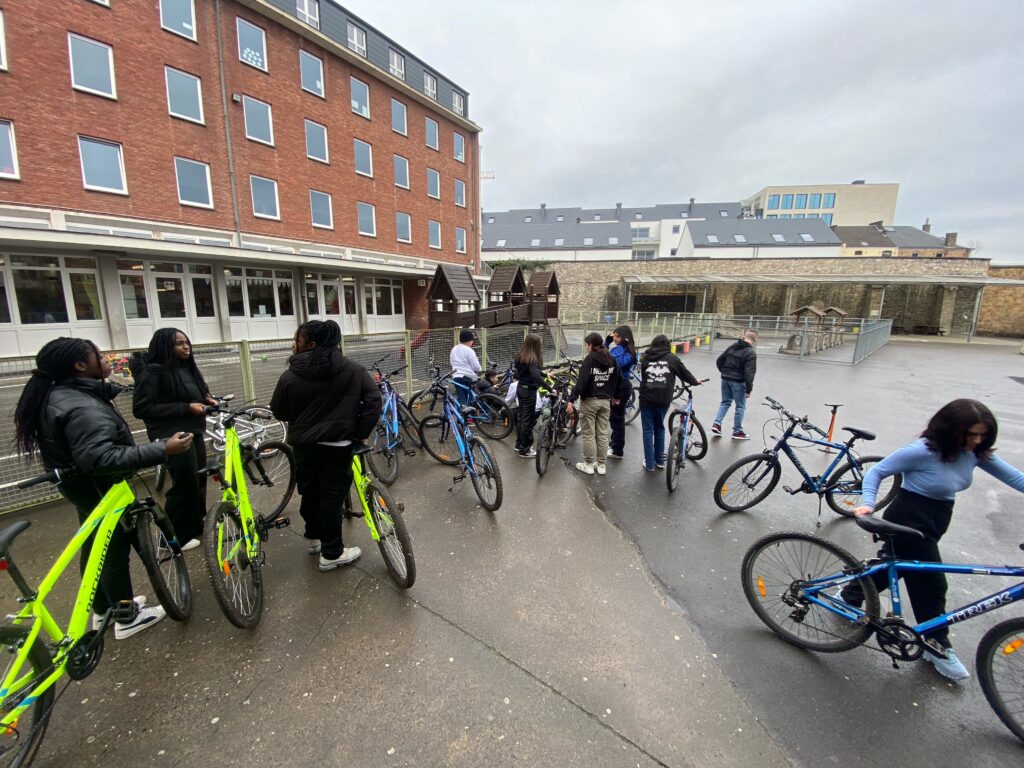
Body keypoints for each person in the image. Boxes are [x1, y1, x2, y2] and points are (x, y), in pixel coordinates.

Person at [14, 337, 192, 639]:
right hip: (98, 484)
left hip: (79, 485)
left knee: (95, 542)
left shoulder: (64, 394)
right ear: (80, 366)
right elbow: (100, 458)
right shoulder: (82, 406)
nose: (107, 358)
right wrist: (163, 448)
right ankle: (126, 616)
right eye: (99, 355)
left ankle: (102, 608)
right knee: (113, 547)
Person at [850, 399, 1024, 682]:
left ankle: (851, 595)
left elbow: (1017, 478)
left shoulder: (975, 452)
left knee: (899, 566)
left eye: (983, 434)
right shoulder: (922, 451)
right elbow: (877, 471)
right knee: (931, 583)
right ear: (949, 429)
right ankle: (936, 644)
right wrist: (867, 504)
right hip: (908, 517)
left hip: (938, 517)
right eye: (971, 434)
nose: (977, 440)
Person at [270, 320, 382, 571]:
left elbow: (278, 410)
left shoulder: (289, 375)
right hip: (339, 444)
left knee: (309, 491)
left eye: (297, 340)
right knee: (333, 495)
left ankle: (314, 538)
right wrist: (360, 433)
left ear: (310, 344)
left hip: (304, 445)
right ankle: (332, 553)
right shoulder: (353, 370)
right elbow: (374, 400)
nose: (293, 344)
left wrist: (302, 417)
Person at [131, 328, 216, 551]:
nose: (186, 346)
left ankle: (196, 524)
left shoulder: (186, 367)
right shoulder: (152, 372)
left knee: (198, 479)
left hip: (193, 431)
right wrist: (186, 407)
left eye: (187, 342)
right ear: (165, 346)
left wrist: (208, 399)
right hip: (173, 435)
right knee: (184, 485)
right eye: (179, 343)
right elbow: (142, 408)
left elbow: (191, 393)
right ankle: (171, 538)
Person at [638, 335, 700, 472]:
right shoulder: (672, 358)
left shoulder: (646, 357)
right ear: (666, 345)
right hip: (663, 398)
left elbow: (644, 376)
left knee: (648, 430)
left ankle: (649, 464)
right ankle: (660, 461)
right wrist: (695, 381)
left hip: (646, 398)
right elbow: (685, 374)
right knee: (659, 428)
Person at [567, 332, 620, 476]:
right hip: (605, 402)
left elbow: (581, 382)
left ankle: (589, 464)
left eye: (586, 344)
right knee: (603, 434)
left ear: (590, 345)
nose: (585, 347)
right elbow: (618, 378)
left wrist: (572, 398)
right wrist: (616, 396)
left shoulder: (590, 359)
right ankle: (601, 465)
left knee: (589, 434)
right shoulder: (611, 358)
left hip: (590, 401)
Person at [713, 328, 758, 440]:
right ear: (755, 339)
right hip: (738, 382)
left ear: (745, 336)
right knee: (740, 406)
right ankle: (737, 431)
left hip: (726, 379)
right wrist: (749, 389)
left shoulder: (733, 347)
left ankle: (716, 424)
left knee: (725, 402)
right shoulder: (751, 353)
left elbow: (719, 360)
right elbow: (749, 373)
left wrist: (724, 372)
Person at [606, 325, 637, 460]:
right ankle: (614, 443)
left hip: (622, 386)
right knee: (614, 416)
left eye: (617, 337)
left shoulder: (629, 352)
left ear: (625, 337)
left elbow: (614, 362)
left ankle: (617, 450)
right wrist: (607, 342)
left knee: (617, 419)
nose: (615, 339)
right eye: (614, 336)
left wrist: (619, 346)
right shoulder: (620, 349)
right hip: (616, 385)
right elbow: (604, 357)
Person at [512, 333, 544, 457]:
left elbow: (530, 372)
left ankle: (519, 444)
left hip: (520, 388)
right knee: (527, 420)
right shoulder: (533, 358)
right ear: (536, 344)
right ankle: (525, 449)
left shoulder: (521, 355)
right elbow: (535, 375)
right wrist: (546, 387)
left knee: (521, 417)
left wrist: (545, 375)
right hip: (529, 391)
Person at [450, 329, 481, 405]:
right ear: (470, 340)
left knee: (461, 399)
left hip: (456, 377)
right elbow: (476, 367)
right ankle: (470, 415)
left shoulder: (454, 349)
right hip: (468, 377)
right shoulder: (469, 350)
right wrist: (480, 369)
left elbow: (452, 362)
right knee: (471, 399)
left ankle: (461, 416)